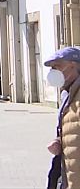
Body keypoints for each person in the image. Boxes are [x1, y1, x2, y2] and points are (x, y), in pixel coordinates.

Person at [45, 47, 80, 189]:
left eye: (56, 67)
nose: (53, 72)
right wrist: (60, 141)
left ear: (73, 65)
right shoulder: (68, 94)